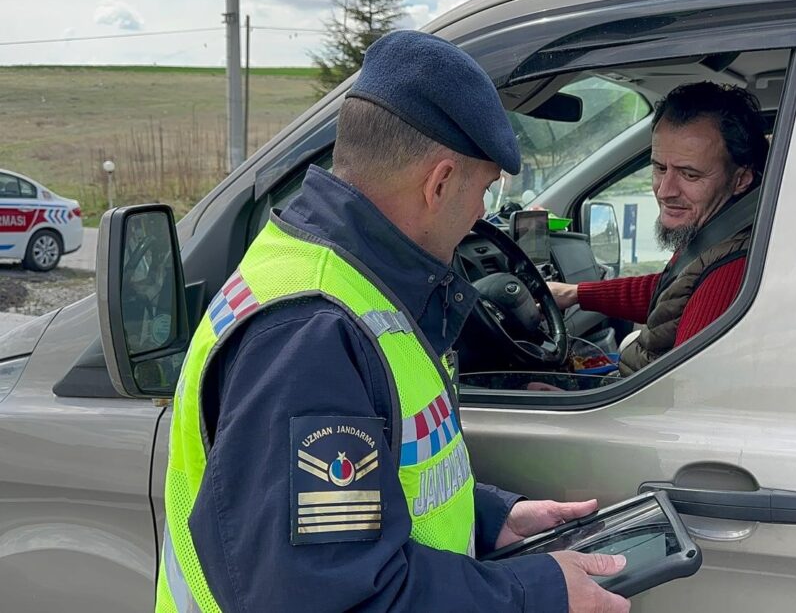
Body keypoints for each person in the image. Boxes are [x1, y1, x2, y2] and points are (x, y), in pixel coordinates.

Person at [154, 31, 629, 613]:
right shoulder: (311, 334)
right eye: (482, 190)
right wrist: (537, 591)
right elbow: (327, 596)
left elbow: (359, 498)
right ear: (439, 182)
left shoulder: (326, 272)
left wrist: (493, 519)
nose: (481, 213)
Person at [548, 82, 769, 375]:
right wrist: (576, 293)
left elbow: (681, 397)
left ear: (741, 179)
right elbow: (674, 292)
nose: (665, 191)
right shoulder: (715, 237)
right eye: (659, 168)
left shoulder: (733, 270)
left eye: (689, 174)